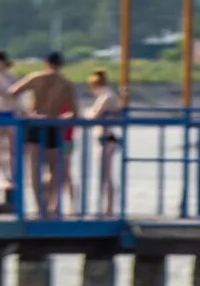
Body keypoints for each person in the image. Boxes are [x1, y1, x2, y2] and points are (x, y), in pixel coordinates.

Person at [13, 52, 82, 217]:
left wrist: (26, 112)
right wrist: (60, 117)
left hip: (35, 123)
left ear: (46, 62)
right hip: (53, 124)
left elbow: (12, 92)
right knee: (55, 169)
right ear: (61, 64)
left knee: (35, 169)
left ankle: (40, 207)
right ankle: (53, 205)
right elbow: (74, 112)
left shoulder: (35, 77)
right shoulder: (66, 84)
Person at [85, 71, 126, 216]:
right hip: (107, 138)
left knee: (106, 175)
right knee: (106, 175)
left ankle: (108, 208)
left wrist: (90, 112)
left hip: (107, 139)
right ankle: (106, 207)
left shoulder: (106, 97)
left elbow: (93, 116)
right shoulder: (110, 96)